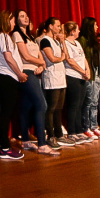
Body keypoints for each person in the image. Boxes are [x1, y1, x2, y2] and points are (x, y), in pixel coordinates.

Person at [13, 10, 57, 155]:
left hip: (35, 71)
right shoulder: (16, 34)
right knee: (41, 105)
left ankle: (25, 140)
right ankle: (42, 144)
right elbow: (25, 57)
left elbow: (39, 56)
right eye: (21, 16)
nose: (25, 18)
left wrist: (41, 65)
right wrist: (41, 63)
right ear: (15, 19)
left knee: (26, 106)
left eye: (26, 15)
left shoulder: (31, 37)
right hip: (26, 72)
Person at [0, 10, 27, 159]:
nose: (14, 24)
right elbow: (9, 58)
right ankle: (4, 147)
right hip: (6, 77)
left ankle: (4, 146)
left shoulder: (4, 37)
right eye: (12, 21)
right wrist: (19, 73)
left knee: (7, 112)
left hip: (6, 77)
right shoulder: (4, 36)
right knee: (5, 113)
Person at [39, 17, 68, 149]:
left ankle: (59, 134)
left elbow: (65, 56)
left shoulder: (56, 41)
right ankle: (50, 135)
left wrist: (63, 42)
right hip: (51, 77)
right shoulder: (45, 40)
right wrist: (61, 57)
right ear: (50, 26)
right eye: (57, 25)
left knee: (59, 108)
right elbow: (51, 58)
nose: (59, 28)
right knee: (51, 108)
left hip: (61, 77)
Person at [62, 21, 89, 145]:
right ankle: (72, 132)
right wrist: (82, 71)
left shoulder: (77, 43)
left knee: (80, 104)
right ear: (72, 31)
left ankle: (79, 130)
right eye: (77, 29)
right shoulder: (66, 43)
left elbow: (83, 58)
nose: (79, 31)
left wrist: (87, 71)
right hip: (72, 76)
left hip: (82, 76)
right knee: (73, 105)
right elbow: (70, 61)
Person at [79, 17, 100, 140]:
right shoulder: (82, 40)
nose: (97, 28)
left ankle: (94, 126)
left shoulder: (95, 40)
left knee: (95, 101)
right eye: (95, 25)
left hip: (96, 72)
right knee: (88, 101)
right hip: (88, 73)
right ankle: (86, 127)